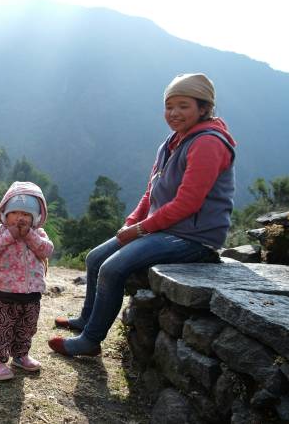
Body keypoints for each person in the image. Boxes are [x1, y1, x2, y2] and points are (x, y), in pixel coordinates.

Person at [49, 73, 236, 357]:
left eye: (183, 106)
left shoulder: (208, 143)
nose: (173, 113)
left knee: (113, 268)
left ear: (203, 108)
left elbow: (188, 203)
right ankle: (86, 320)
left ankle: (90, 341)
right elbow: (151, 193)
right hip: (165, 229)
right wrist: (130, 223)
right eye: (169, 106)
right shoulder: (172, 143)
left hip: (193, 237)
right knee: (95, 258)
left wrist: (139, 231)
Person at [0, 181, 54, 380]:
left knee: (27, 327)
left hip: (31, 294)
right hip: (2, 293)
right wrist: (9, 235)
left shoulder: (38, 234)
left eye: (26, 214)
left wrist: (30, 235)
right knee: (0, 328)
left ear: (36, 218)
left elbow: (47, 250)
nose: (20, 218)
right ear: (5, 213)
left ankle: (21, 356)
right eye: (15, 213)